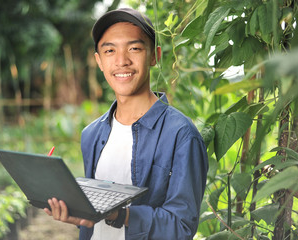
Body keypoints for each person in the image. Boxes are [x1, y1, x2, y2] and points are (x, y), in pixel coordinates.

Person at [44, 8, 208, 240]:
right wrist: (78, 214)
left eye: (134, 48)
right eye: (110, 51)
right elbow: (95, 223)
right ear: (99, 61)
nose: (121, 61)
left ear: (154, 55)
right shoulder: (91, 134)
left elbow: (181, 227)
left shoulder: (181, 135)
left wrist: (119, 215)